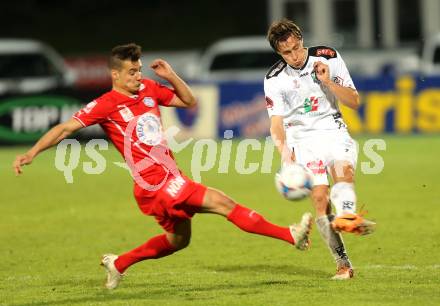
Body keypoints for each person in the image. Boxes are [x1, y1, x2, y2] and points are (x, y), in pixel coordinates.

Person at [13, 43, 313, 290]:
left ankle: (119, 263)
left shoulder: (148, 90)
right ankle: (291, 235)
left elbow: (189, 101)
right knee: (223, 202)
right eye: (131, 72)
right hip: (153, 184)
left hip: (170, 176)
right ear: (115, 75)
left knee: (178, 241)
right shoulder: (104, 104)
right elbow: (65, 129)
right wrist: (32, 152)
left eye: (139, 69)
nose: (137, 75)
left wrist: (171, 75)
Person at [264, 19, 376, 280]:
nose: (293, 55)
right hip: (301, 139)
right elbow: (276, 124)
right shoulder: (274, 79)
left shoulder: (328, 57)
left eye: (296, 47)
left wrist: (328, 82)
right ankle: (343, 264)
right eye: (286, 52)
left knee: (343, 171)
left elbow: (354, 101)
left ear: (301, 38)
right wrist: (285, 156)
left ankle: (347, 214)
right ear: (278, 53)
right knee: (319, 200)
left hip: (332, 129)